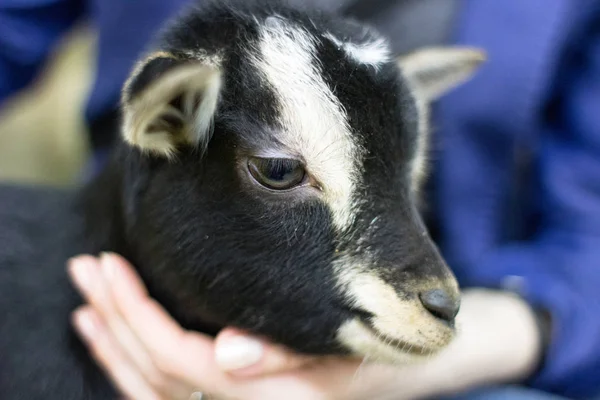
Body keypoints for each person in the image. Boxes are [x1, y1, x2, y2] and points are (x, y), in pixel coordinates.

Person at [2, 0, 600, 398]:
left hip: (454, 354)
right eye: (282, 170)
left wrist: (485, 342)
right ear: (165, 114)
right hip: (121, 272)